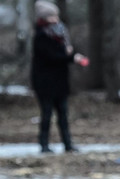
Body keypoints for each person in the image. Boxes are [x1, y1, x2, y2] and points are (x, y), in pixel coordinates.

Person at [32, 1, 87, 153]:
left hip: (60, 82)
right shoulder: (41, 36)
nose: (56, 18)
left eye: (56, 15)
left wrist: (70, 54)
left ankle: (67, 143)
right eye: (52, 16)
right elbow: (51, 57)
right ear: (44, 18)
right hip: (45, 83)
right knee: (47, 114)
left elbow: (62, 54)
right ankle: (44, 145)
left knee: (63, 114)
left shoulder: (61, 33)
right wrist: (71, 58)